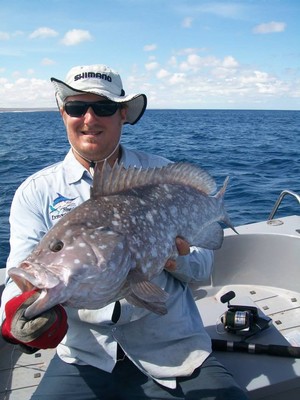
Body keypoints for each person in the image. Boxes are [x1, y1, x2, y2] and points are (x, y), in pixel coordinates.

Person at [0, 64, 249, 399]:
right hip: (85, 356)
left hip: (172, 348)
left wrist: (175, 259)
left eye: (103, 108)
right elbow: (20, 273)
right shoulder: (36, 192)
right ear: (63, 114)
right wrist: (16, 313)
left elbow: (205, 268)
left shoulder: (161, 177)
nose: (89, 119)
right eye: (77, 107)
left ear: (121, 116)